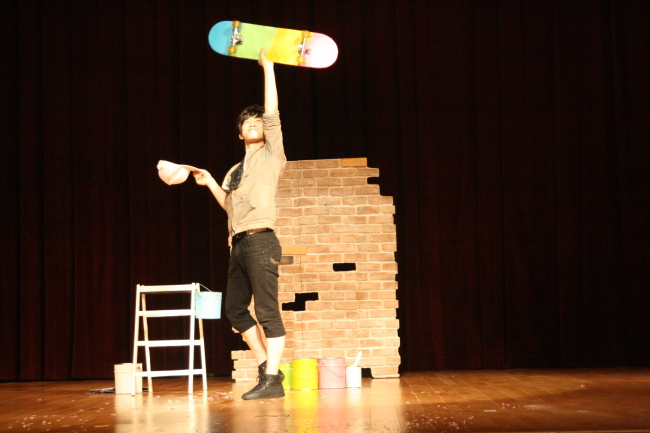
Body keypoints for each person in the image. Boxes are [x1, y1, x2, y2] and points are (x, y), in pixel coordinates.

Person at [192, 49, 286, 400]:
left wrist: (269, 69)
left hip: (262, 240)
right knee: (233, 309)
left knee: (266, 311)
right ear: (239, 133)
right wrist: (212, 182)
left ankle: (273, 380)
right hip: (239, 242)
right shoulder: (235, 170)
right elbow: (230, 208)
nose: (254, 125)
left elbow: (273, 112)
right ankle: (266, 365)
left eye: (258, 122)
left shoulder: (271, 154)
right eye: (247, 123)